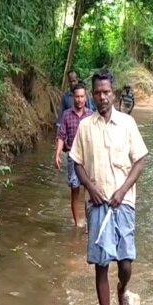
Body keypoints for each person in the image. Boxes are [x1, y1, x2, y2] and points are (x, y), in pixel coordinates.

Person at [70, 70, 148, 305]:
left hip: (123, 203)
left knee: (126, 263)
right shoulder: (85, 127)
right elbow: (78, 163)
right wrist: (90, 188)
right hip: (97, 205)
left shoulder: (127, 124)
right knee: (101, 265)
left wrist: (123, 190)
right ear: (92, 96)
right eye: (98, 92)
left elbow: (140, 161)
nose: (102, 97)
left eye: (106, 92)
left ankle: (122, 289)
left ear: (113, 94)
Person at [55, 83, 92, 229]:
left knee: (89, 192)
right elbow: (61, 136)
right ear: (73, 98)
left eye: (82, 96)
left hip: (89, 157)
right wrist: (57, 153)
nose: (79, 99)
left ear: (85, 97)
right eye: (77, 96)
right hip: (72, 156)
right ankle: (77, 225)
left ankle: (89, 226)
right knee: (75, 191)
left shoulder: (90, 115)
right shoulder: (67, 115)